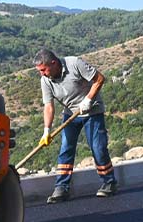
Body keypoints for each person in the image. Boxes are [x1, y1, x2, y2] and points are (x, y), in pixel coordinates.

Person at [34, 49, 117, 203]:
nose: (42, 74)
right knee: (66, 148)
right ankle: (62, 188)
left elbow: (99, 79)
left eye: (43, 70)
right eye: (39, 71)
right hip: (70, 114)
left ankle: (109, 182)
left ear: (53, 63)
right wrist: (46, 131)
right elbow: (49, 106)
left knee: (98, 148)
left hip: (92, 110)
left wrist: (88, 99)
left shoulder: (74, 64)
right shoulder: (45, 80)